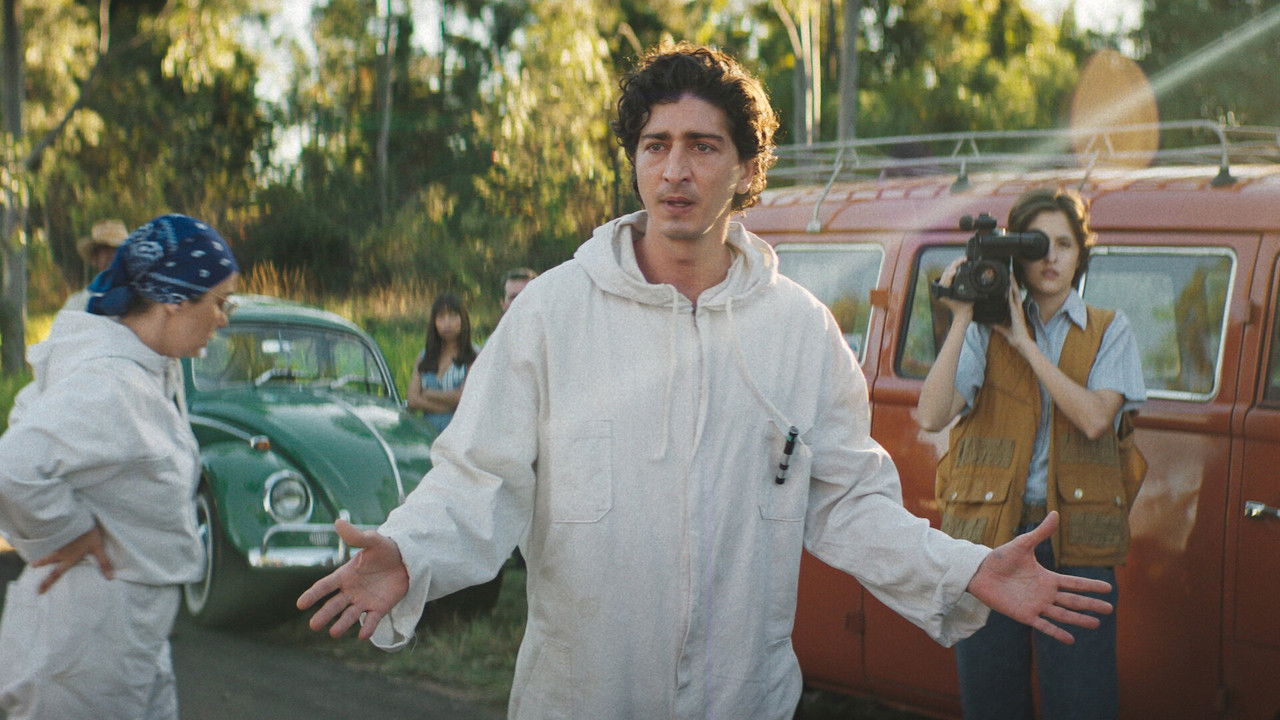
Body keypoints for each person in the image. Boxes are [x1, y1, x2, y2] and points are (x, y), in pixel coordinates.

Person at [298, 43, 1113, 719]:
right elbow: (479, 476)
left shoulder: (798, 332)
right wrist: (411, 551)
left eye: (702, 146)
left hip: (743, 700)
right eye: (655, 145)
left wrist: (963, 568)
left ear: (746, 167)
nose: (675, 171)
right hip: (580, 699)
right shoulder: (553, 314)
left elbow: (851, 504)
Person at [917, 187, 1146, 720]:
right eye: (1038, 244)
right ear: (1017, 254)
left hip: (1076, 545)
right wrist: (961, 317)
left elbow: (1094, 418)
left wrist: (1024, 342)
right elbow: (931, 415)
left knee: (1082, 703)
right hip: (992, 540)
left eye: (1064, 244)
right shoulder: (983, 333)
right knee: (992, 701)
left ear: (1080, 254)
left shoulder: (1109, 329)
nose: (1051, 258)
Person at [0, 214, 239, 720]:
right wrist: (68, 530)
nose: (224, 319)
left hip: (124, 633)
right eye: (220, 302)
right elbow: (12, 466)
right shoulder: (111, 384)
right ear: (175, 300)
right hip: (87, 639)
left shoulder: (144, 366)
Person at [406, 293, 477, 433]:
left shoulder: (474, 356)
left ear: (463, 319)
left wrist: (428, 393)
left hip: (459, 435)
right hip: (427, 434)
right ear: (434, 322)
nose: (447, 323)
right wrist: (449, 407)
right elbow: (412, 399)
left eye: (453, 316)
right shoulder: (424, 356)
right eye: (441, 317)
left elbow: (463, 397)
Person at [60, 218, 129, 312]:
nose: (114, 256)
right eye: (106, 250)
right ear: (95, 258)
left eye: (118, 250)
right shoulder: (77, 303)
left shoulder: (142, 297)